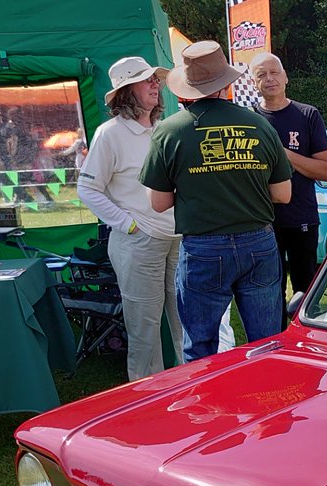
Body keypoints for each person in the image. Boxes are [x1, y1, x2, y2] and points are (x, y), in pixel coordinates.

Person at [140, 40, 292, 362]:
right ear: (226, 83)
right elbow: (283, 194)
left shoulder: (169, 131)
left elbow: (159, 202)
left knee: (201, 347)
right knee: (267, 344)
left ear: (187, 87)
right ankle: (268, 403)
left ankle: (207, 411)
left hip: (204, 248)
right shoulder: (259, 124)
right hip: (259, 243)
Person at [78, 56, 184, 381]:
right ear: (126, 91)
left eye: (156, 79)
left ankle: (192, 392)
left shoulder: (165, 128)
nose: (156, 84)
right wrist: (129, 225)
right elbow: (87, 188)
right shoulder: (109, 134)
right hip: (139, 243)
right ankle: (145, 406)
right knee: (144, 333)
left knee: (185, 323)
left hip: (178, 239)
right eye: (147, 80)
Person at [249, 52, 327, 300]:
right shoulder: (249, 120)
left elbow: (325, 170)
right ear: (253, 83)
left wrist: (283, 153)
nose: (269, 79)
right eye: (261, 75)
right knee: (266, 295)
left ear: (285, 76)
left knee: (304, 294)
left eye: (274, 72)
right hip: (261, 222)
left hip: (301, 218)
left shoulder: (307, 115)